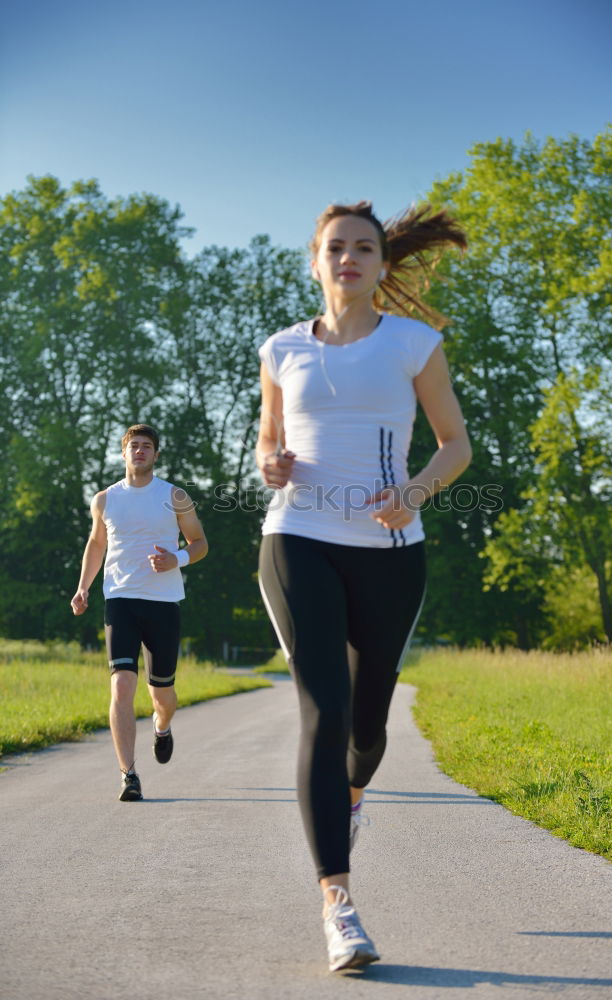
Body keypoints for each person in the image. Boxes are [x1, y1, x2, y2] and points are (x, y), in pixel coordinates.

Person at [255, 202, 471, 971]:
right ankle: (338, 905)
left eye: (363, 248)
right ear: (315, 261)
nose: (348, 257)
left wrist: (411, 494)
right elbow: (268, 443)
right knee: (323, 707)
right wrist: (270, 465)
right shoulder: (280, 349)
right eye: (335, 248)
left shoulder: (414, 344)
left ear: (383, 264)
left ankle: (350, 797)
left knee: (366, 726)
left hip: (388, 546)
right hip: (296, 536)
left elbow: (455, 445)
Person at [71, 424, 208, 802]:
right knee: (121, 684)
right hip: (120, 600)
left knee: (162, 695)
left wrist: (176, 558)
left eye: (147, 446)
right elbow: (96, 544)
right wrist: (83, 587)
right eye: (134, 446)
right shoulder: (104, 500)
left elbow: (200, 544)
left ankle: (161, 728)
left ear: (156, 454)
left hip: (163, 604)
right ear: (124, 452)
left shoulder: (174, 496)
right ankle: (128, 774)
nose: (140, 451)